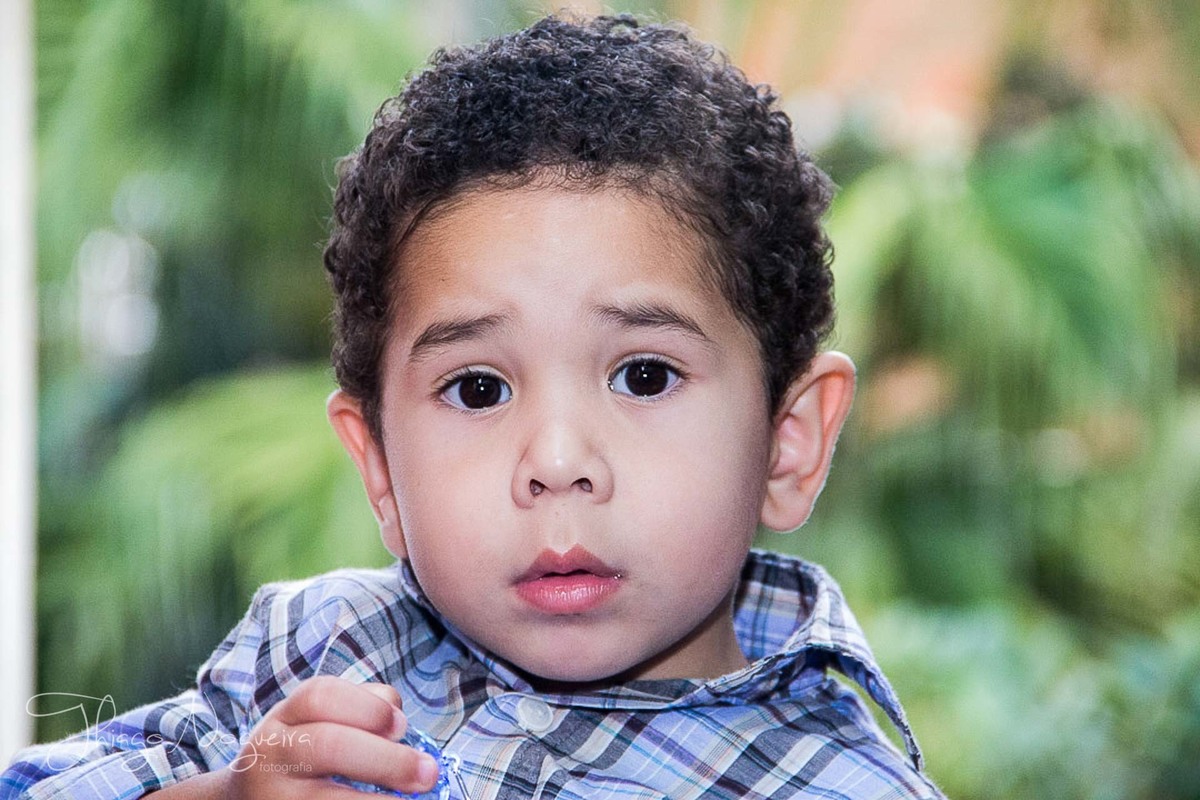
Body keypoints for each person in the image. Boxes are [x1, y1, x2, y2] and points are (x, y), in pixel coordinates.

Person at [3, 14, 943, 800]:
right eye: (479, 388)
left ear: (790, 442)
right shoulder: (319, 656)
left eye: (645, 375)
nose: (558, 456)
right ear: (377, 466)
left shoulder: (841, 784)